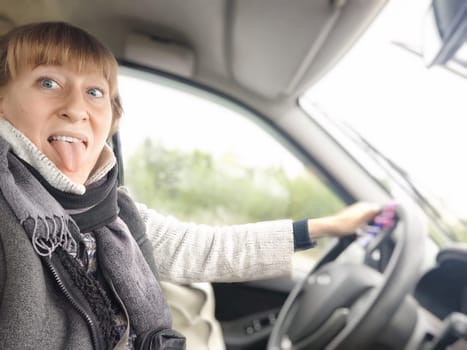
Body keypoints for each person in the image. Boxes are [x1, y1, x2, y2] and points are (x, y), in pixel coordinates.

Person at [0, 21, 381, 350]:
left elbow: (208, 248)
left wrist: (330, 226)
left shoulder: (114, 211)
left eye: (95, 92)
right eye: (48, 82)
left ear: (111, 120)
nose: (77, 108)